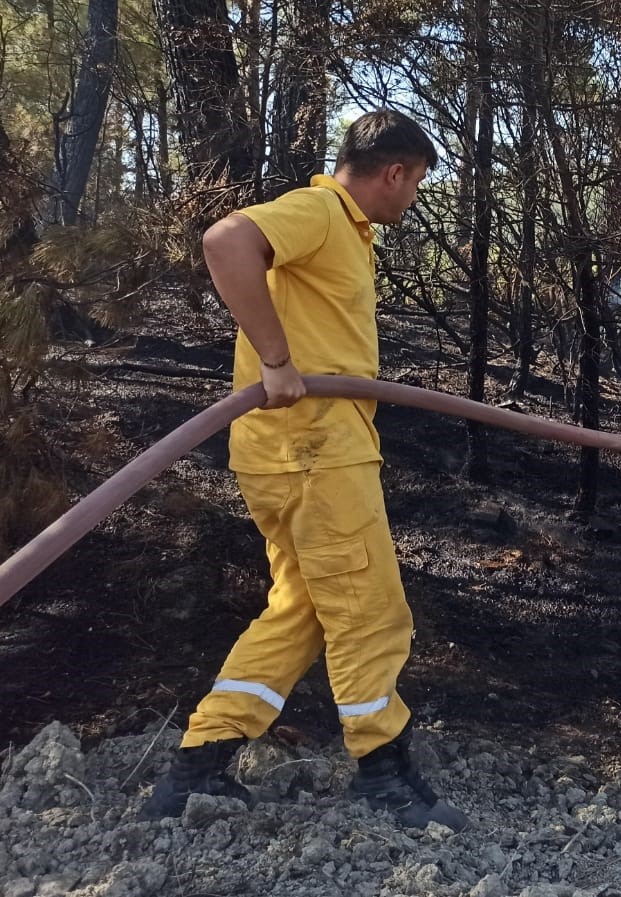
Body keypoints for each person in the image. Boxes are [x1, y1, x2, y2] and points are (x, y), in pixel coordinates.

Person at [140, 110, 464, 830]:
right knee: (371, 610)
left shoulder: (345, 233)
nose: (410, 200)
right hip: (313, 451)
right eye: (414, 185)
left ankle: (198, 763)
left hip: (299, 450)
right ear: (395, 172)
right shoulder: (320, 210)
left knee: (302, 611)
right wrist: (278, 361)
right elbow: (225, 242)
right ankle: (383, 773)